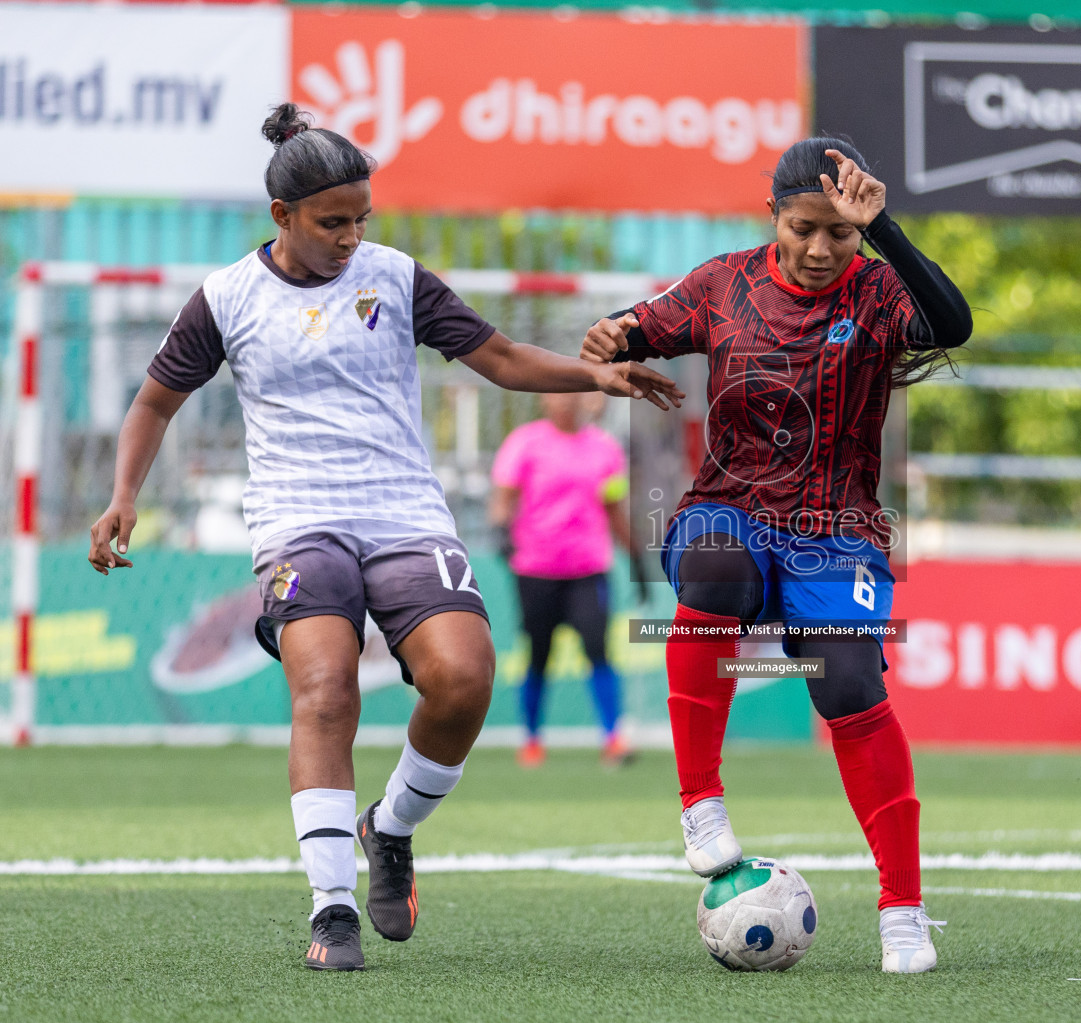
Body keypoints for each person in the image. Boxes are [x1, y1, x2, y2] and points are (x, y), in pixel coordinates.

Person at [86, 104, 682, 973]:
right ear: (281, 217)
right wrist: (123, 496)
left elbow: (503, 358)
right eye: (334, 222)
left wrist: (596, 373)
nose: (351, 235)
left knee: (464, 676)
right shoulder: (225, 299)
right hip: (297, 518)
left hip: (403, 512)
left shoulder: (395, 276)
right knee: (326, 689)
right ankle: (331, 910)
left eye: (363, 217)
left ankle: (388, 828)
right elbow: (154, 401)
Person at [581, 137, 971, 973]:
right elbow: (631, 332)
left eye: (843, 233)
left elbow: (952, 324)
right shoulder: (723, 284)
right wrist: (608, 344)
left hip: (838, 529)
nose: (823, 249)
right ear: (773, 219)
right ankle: (700, 803)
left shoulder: (877, 291)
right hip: (730, 510)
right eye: (804, 229)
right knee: (714, 568)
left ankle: (903, 909)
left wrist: (890, 232)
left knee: (850, 685)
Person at [488, 392, 641, 767]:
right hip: (535, 567)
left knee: (597, 648)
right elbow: (504, 497)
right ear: (545, 400)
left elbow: (615, 507)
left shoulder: (605, 449)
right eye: (557, 393)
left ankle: (612, 737)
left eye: (573, 393)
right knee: (538, 654)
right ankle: (532, 739)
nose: (565, 401)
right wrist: (500, 531)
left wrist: (635, 556)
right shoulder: (524, 442)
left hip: (588, 568)